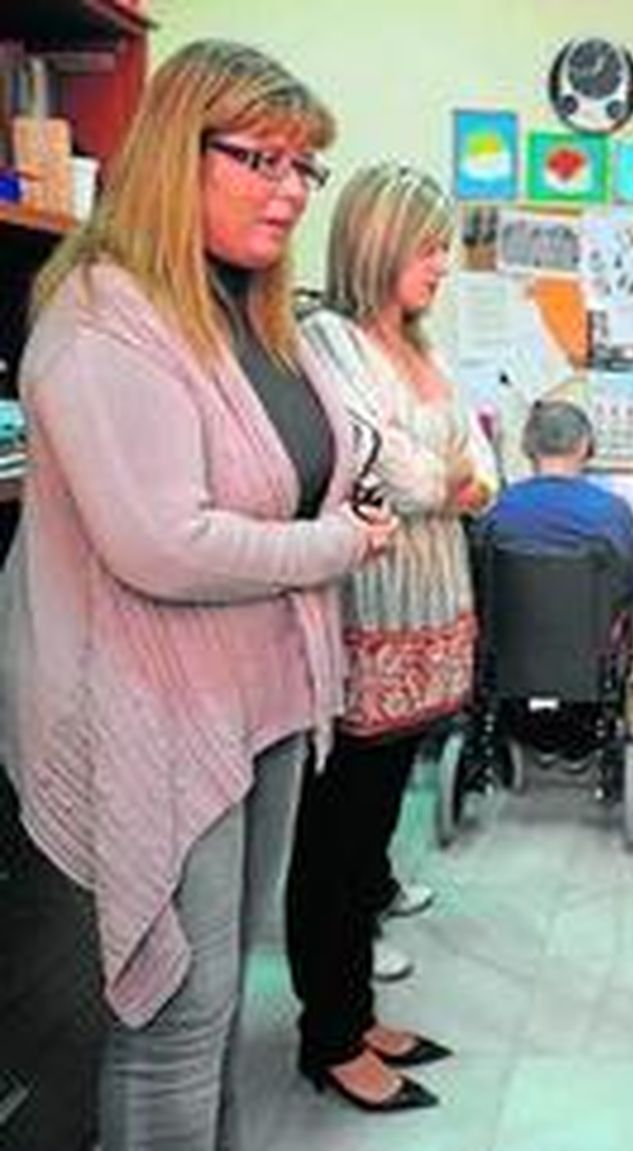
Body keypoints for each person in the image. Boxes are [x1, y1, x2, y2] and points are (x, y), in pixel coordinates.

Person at [0, 40, 393, 1151]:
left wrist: (345, 498)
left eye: (305, 167)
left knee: (216, 1007)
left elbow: (312, 453)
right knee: (175, 1016)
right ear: (181, 152)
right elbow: (161, 544)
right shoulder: (102, 314)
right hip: (155, 710)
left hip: (256, 697)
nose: (290, 191)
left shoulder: (247, 308)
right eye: (262, 160)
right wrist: (330, 545)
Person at [289, 163, 496, 1112]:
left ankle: (359, 1011)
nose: (440, 265)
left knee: (373, 838)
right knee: (336, 835)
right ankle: (328, 1035)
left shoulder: (422, 345)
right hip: (371, 618)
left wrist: (450, 475)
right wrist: (443, 477)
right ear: (377, 244)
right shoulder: (328, 339)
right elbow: (393, 470)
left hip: (432, 613)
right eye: (426, 247)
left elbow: (480, 466)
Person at [480, 398, 633, 610]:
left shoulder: (498, 508)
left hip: (507, 640)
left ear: (527, 446)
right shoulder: (614, 513)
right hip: (592, 640)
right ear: (586, 446)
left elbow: (480, 580)